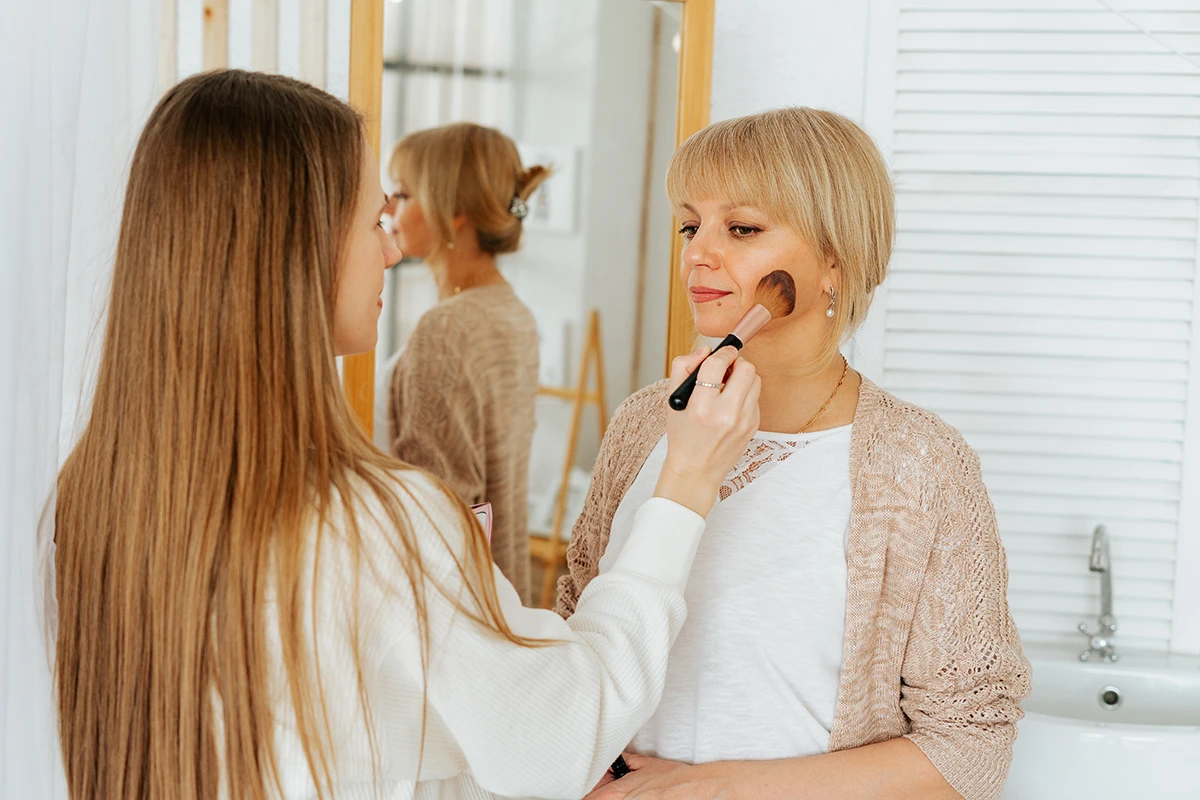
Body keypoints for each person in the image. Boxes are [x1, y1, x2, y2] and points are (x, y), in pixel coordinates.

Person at [50, 69, 762, 800]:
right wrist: (685, 484)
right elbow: (560, 738)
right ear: (296, 248)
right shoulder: (377, 526)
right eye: (372, 223)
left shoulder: (95, 496)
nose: (391, 251)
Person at [557, 108, 1031, 800]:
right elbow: (579, 633)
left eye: (741, 229)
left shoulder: (922, 463)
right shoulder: (642, 423)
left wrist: (703, 790)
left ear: (834, 260)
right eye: (690, 226)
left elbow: (971, 745)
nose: (697, 254)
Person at [383, 123, 545, 604]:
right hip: (500, 590)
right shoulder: (512, 312)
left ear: (453, 211)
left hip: (447, 603)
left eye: (403, 194)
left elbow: (439, 512)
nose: (388, 209)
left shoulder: (448, 328)